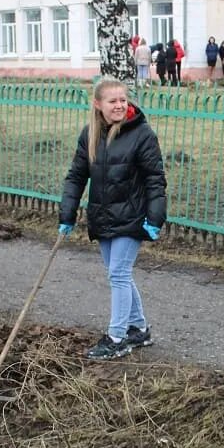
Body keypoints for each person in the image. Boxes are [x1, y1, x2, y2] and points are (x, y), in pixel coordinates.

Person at [59, 78, 168, 361]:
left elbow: (155, 180)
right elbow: (76, 176)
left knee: (118, 274)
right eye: (112, 101)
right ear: (98, 104)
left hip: (132, 217)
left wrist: (155, 217)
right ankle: (139, 328)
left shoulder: (142, 134)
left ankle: (117, 336)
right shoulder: (90, 135)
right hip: (103, 215)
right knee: (119, 274)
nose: (120, 105)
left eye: (123, 99)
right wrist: (67, 213)